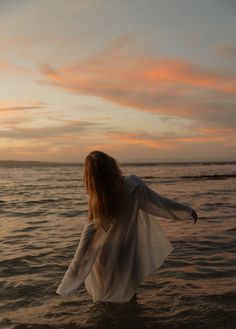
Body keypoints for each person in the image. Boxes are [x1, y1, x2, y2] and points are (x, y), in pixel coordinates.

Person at [56, 150, 198, 303]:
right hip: (127, 252)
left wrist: (69, 280)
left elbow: (87, 237)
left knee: (105, 298)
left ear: (91, 177)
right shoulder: (133, 185)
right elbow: (159, 202)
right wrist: (186, 211)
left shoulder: (98, 199)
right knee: (129, 294)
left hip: (105, 258)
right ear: (112, 165)